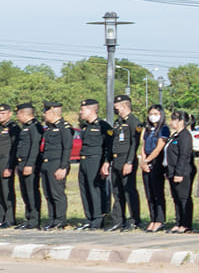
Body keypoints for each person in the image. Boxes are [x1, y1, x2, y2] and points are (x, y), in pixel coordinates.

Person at [76, 99, 113, 231]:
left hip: (96, 161)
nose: (80, 112)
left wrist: (106, 162)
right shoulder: (85, 126)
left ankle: (98, 218)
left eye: (82, 109)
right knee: (84, 189)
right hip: (84, 160)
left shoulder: (103, 126)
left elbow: (109, 146)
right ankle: (89, 218)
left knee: (95, 190)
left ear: (91, 110)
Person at [37, 102, 73, 229]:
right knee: (48, 193)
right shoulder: (49, 128)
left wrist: (63, 167)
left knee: (57, 193)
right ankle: (52, 219)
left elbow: (67, 148)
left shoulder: (64, 127)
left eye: (46, 112)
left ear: (52, 113)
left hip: (57, 163)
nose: (44, 115)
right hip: (47, 163)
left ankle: (60, 220)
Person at [109, 94, 142, 231]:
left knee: (129, 191)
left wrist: (129, 161)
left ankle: (134, 220)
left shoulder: (133, 122)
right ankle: (118, 220)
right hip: (116, 159)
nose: (115, 109)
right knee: (117, 191)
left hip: (126, 159)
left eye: (116, 107)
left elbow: (135, 143)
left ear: (123, 106)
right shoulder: (118, 122)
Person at [163, 111, 196, 232]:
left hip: (183, 171)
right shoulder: (175, 135)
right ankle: (178, 222)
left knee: (183, 197)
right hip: (171, 170)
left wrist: (179, 173)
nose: (171, 122)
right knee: (176, 197)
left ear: (181, 122)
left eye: (174, 120)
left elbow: (184, 156)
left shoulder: (185, 136)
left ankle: (186, 224)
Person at [139, 104, 170, 231]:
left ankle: (159, 220)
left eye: (156, 114)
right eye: (151, 114)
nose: (153, 116)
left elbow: (158, 148)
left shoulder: (164, 129)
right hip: (146, 162)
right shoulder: (148, 129)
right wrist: (143, 160)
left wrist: (147, 160)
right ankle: (152, 219)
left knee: (157, 192)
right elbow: (143, 145)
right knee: (149, 193)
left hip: (157, 162)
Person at [12, 103, 42, 228]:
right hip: (21, 163)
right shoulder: (25, 127)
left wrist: (30, 164)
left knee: (31, 192)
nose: (17, 116)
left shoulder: (34, 126)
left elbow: (35, 147)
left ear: (24, 113)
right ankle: (28, 217)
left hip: (30, 164)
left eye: (18, 114)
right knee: (25, 192)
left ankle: (34, 219)